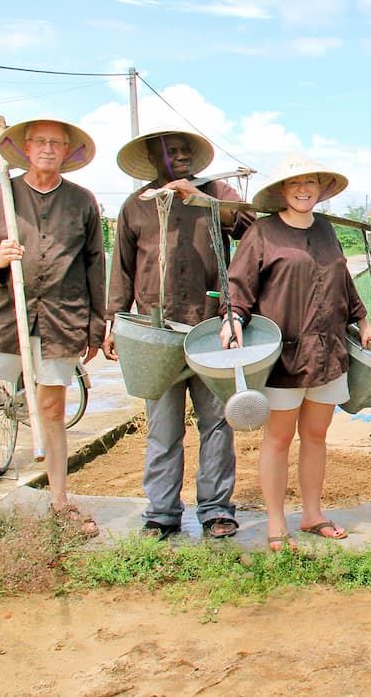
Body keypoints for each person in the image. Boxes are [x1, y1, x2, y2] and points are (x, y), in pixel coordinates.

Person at [0, 119, 105, 539]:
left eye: (56, 143)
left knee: (51, 409)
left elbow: (95, 265)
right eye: (40, 142)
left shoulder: (82, 202)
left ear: (67, 152)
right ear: (25, 149)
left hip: (62, 317)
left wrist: (97, 326)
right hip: (3, 314)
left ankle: (60, 502)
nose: (48, 149)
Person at [221, 155, 371, 552]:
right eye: (295, 184)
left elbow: (342, 278)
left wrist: (364, 320)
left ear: (320, 189)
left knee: (316, 436)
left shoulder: (325, 230)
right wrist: (233, 318)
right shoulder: (263, 232)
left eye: (310, 183)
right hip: (284, 355)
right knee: (277, 438)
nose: (303, 189)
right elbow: (239, 285)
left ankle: (312, 514)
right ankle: (276, 523)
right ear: (282, 191)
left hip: (328, 351)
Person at [105, 130, 254, 540]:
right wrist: (114, 322)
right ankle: (162, 512)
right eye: (171, 151)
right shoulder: (135, 206)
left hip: (209, 326)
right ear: (153, 158)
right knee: (163, 427)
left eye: (186, 149)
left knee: (218, 423)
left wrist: (203, 199)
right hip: (157, 331)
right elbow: (121, 267)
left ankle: (217, 509)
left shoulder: (212, 192)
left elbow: (248, 225)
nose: (182, 156)